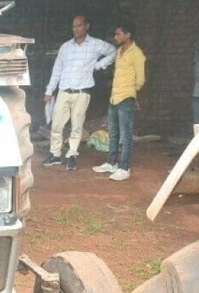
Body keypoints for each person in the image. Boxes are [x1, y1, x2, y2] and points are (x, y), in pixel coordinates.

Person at [42, 15, 116, 170]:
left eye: (79, 26)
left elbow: (113, 51)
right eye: (74, 26)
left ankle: (71, 154)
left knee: (77, 125)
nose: (76, 29)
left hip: (82, 92)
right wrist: (49, 90)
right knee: (56, 124)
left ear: (86, 26)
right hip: (64, 90)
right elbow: (57, 70)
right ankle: (55, 154)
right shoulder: (66, 47)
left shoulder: (95, 44)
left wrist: (99, 65)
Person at [92, 21, 146, 182]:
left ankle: (124, 167)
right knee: (113, 133)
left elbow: (141, 79)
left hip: (126, 98)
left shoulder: (137, 54)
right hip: (114, 97)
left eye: (118, 34)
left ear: (128, 35)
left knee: (126, 135)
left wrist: (131, 93)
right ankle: (111, 163)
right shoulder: (119, 51)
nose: (116, 37)